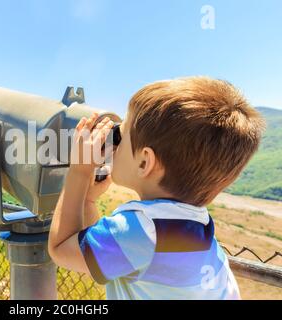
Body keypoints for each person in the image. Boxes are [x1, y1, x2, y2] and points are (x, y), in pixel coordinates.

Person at [48, 77, 265, 299]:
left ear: (144, 162)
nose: (114, 144)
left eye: (120, 136)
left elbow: (61, 248)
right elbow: (100, 260)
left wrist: (80, 172)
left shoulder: (140, 230)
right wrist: (88, 201)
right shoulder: (200, 228)